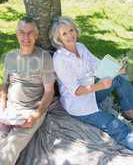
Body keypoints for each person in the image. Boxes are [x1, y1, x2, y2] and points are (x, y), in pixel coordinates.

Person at [50, 16, 133, 151]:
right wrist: (101, 86)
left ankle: (130, 111)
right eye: (64, 33)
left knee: (119, 77)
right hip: (79, 105)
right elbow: (76, 90)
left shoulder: (80, 47)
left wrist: (117, 68)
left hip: (92, 94)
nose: (70, 35)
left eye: (71, 30)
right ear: (58, 38)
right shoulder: (60, 59)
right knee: (117, 126)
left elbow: (97, 66)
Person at [0, 16, 55, 165]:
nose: (26, 37)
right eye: (22, 32)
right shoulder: (10, 56)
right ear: (17, 34)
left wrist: (36, 115)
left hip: (29, 111)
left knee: (9, 150)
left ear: (36, 35)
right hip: (9, 110)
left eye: (30, 32)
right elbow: (4, 85)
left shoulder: (44, 57)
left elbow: (49, 91)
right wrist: (2, 104)